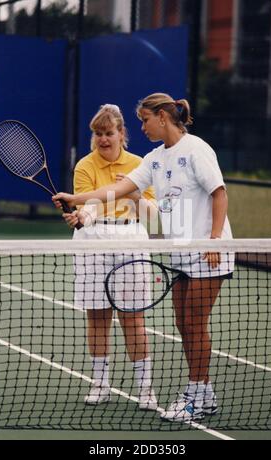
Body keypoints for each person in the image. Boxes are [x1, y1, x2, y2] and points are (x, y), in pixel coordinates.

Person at [53, 93, 234, 423]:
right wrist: (73, 198)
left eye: (144, 120)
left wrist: (215, 240)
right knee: (184, 323)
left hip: (209, 251)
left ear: (163, 117)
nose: (141, 127)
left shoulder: (196, 149)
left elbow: (219, 192)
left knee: (194, 323)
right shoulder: (154, 159)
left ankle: (195, 394)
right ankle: (204, 393)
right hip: (181, 252)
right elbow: (114, 192)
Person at [60, 104, 158, 411]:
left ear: (121, 134)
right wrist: (80, 218)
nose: (104, 139)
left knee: (134, 319)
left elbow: (153, 217)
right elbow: (88, 206)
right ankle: (100, 384)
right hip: (93, 243)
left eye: (109, 133)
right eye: (99, 134)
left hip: (131, 239)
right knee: (98, 318)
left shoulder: (141, 164)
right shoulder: (85, 166)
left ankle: (145, 390)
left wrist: (133, 194)